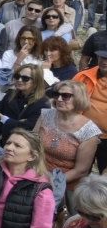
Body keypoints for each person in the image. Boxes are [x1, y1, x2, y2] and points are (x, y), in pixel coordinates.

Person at [37, 80, 102, 212]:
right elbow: (32, 145)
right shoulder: (45, 115)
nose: (59, 99)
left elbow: (81, 170)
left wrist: (52, 180)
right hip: (38, 171)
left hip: (67, 184)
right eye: (56, 94)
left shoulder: (89, 131)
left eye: (65, 96)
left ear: (78, 99)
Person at [0, 62, 50, 139]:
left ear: (35, 82)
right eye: (17, 76)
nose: (19, 80)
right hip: (2, 139)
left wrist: (4, 119)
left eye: (25, 78)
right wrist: (17, 123)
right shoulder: (11, 95)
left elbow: (29, 128)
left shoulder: (43, 104)